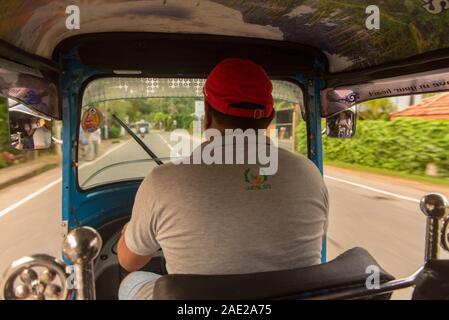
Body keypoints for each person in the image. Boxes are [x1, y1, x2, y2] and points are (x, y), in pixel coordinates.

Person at [117, 58, 329, 300]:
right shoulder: (309, 173)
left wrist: (128, 233)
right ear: (269, 117)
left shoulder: (162, 182)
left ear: (207, 115)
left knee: (132, 281)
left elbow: (129, 260)